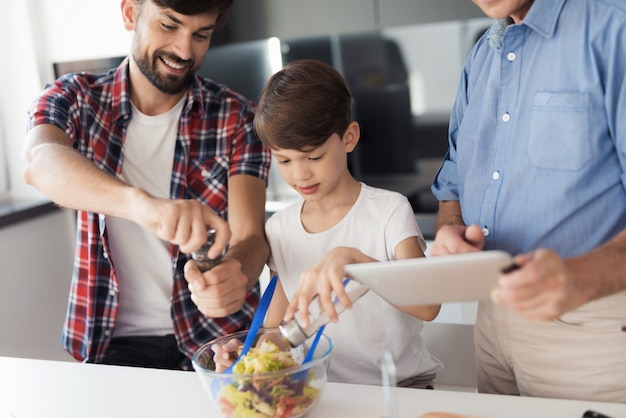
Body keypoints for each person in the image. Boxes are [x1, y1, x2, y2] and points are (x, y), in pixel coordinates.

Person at [21, 0, 271, 370]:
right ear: (129, 13)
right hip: (113, 344)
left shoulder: (239, 116)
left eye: (200, 34)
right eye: (169, 26)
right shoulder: (74, 98)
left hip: (218, 344)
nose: (184, 50)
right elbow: (39, 161)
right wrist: (144, 206)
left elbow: (251, 239)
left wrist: (237, 273)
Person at [429, 0, 626, 402]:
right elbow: (452, 187)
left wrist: (580, 277)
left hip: (590, 327)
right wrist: (451, 229)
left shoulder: (613, 27)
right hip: (491, 324)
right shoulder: (483, 55)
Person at [214, 59, 443, 387]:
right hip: (325, 392)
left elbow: (428, 305)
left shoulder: (388, 211)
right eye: (285, 160)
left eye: (314, 156)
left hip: (405, 389)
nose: (300, 174)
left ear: (348, 138)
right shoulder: (279, 229)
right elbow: (280, 331)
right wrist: (246, 357)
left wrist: (356, 263)